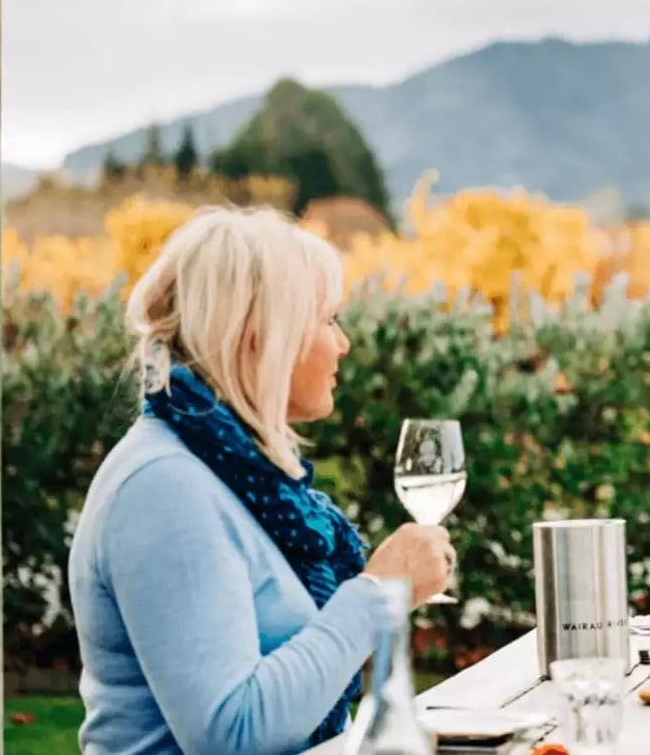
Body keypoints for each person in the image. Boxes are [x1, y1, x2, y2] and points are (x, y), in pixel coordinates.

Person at [69, 207, 455, 755]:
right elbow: (232, 733)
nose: (342, 343)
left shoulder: (239, 477)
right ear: (260, 335)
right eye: (327, 320)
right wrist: (377, 593)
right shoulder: (163, 487)